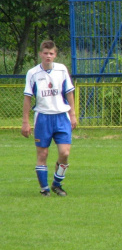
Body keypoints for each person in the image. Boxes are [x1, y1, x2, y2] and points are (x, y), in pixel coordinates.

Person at [21, 40, 77, 196]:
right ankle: (44, 189)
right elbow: (27, 98)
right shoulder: (33, 73)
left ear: (55, 55)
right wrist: (25, 122)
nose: (48, 56)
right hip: (43, 118)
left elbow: (69, 92)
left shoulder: (62, 70)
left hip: (62, 117)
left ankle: (57, 184)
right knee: (42, 154)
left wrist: (72, 114)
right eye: (45, 53)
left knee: (65, 153)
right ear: (40, 54)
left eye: (51, 53)